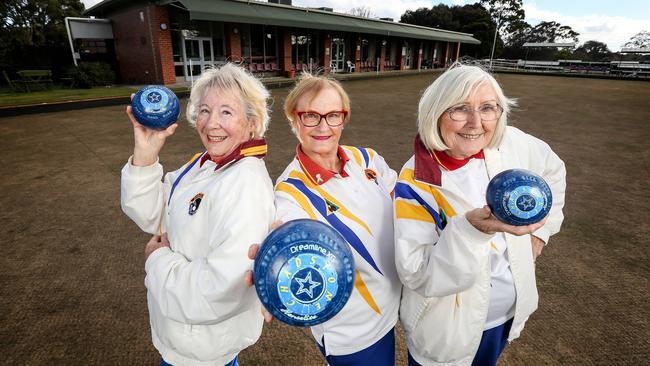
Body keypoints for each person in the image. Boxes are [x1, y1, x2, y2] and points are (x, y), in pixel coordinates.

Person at [394, 64, 566, 366]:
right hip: (447, 334)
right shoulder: (415, 181)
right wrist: (470, 231)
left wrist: (540, 233)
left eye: (488, 108)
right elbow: (417, 273)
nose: (476, 123)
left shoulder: (510, 143)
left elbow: (553, 169)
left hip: (506, 318)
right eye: (459, 109)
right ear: (435, 112)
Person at [120, 64, 275, 366]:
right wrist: (146, 152)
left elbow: (218, 290)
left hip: (202, 351)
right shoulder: (205, 164)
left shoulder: (245, 183)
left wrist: (157, 258)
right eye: (204, 110)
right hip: (183, 339)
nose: (211, 123)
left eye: (226, 112)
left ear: (252, 123)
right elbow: (151, 213)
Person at [252, 73, 401, 365]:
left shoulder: (368, 160)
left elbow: (404, 209)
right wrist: (273, 266)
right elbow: (289, 243)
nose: (323, 126)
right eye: (310, 116)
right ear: (294, 120)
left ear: (343, 119)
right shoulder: (289, 193)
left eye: (333, 115)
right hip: (354, 333)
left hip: (395, 308)